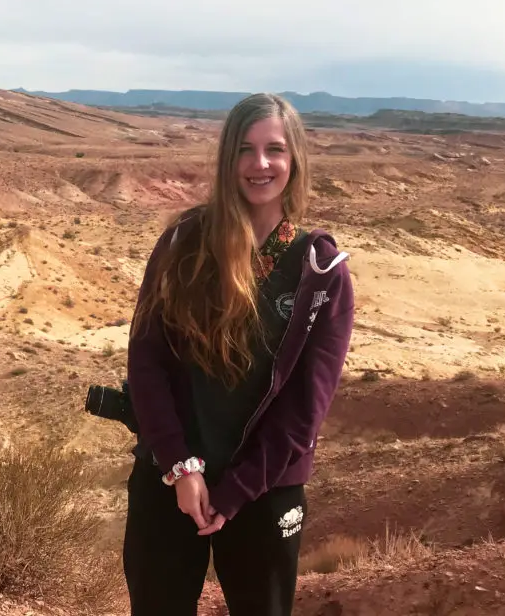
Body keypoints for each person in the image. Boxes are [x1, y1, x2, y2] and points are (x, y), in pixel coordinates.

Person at [122, 93, 355, 616]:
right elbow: (147, 361)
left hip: (265, 487)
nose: (261, 164)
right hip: (170, 476)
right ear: (228, 159)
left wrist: (234, 493)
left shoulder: (320, 271)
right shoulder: (184, 243)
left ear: (295, 161)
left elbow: (305, 408)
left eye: (275, 149)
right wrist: (181, 467)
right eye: (246, 150)